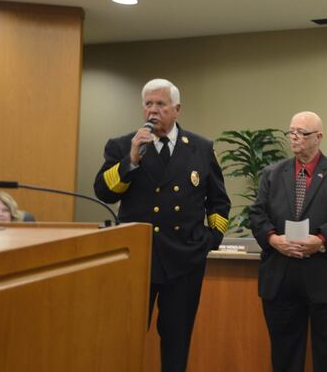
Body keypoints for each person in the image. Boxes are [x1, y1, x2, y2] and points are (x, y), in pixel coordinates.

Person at [94, 78, 230, 372]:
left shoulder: (201, 148)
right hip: (138, 259)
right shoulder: (122, 145)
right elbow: (103, 192)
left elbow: (219, 202)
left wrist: (210, 240)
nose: (153, 111)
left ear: (177, 109)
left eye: (160, 105)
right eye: (148, 104)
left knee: (177, 340)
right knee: (126, 338)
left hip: (184, 260)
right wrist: (130, 160)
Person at [250, 111, 327, 372]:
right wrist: (273, 239)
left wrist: (320, 240)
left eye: (302, 132)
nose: (295, 137)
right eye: (291, 132)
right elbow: (257, 214)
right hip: (281, 278)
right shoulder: (272, 174)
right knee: (284, 356)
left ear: (318, 138)